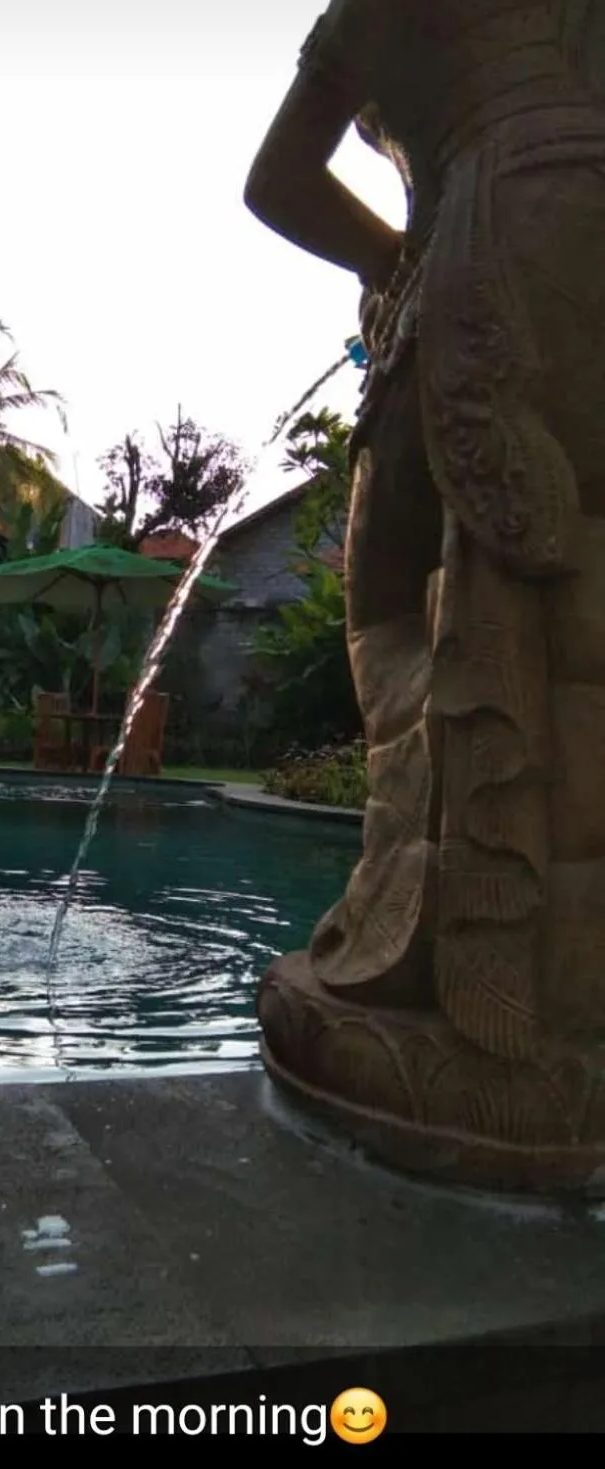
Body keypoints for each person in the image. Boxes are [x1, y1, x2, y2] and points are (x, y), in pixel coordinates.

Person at [244, 1, 605, 1062]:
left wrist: (391, 260)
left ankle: (463, 918)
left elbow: (279, 182)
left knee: (392, 590)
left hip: (498, 225)